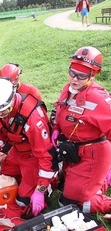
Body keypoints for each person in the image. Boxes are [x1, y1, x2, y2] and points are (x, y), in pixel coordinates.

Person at [0, 79, 58, 217]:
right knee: (5, 182)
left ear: (13, 98)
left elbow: (45, 155)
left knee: (24, 202)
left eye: (5, 112)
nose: (0, 115)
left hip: (34, 155)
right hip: (17, 151)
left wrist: (40, 190)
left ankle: (54, 180)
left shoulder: (33, 118)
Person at [51, 46, 111, 215]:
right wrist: (56, 128)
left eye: (81, 76)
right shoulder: (68, 89)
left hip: (93, 155)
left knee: (70, 205)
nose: (74, 79)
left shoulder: (98, 98)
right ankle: (100, 181)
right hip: (73, 151)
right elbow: (61, 110)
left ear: (93, 75)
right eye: (72, 73)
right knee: (62, 186)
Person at [0, 63, 43, 165]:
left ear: (17, 80)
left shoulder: (31, 91)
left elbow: (39, 118)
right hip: (11, 137)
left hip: (28, 136)